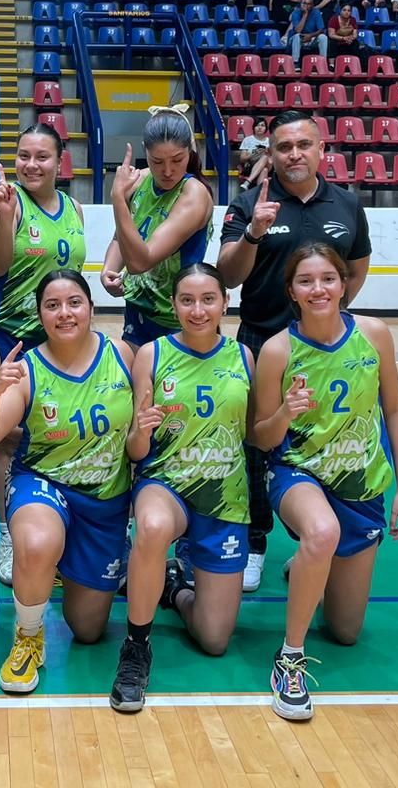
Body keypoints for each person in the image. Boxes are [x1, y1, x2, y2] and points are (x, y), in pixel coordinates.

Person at [250, 243, 398, 721]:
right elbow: (261, 437)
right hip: (298, 473)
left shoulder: (375, 335)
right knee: (322, 533)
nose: (318, 289)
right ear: (292, 292)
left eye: (327, 279)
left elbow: (395, 409)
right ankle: (290, 660)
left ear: (344, 284)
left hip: (361, 482)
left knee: (345, 631)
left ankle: (310, 570)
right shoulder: (278, 350)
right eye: (306, 281)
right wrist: (285, 412)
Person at [216, 110, 372, 593]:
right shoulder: (248, 203)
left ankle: (314, 543)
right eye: (284, 147)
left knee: (319, 446)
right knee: (254, 448)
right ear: (271, 153)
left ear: (321, 149)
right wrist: (254, 233)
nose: (294, 154)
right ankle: (255, 545)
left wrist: (326, 322)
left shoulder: (347, 205)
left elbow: (355, 272)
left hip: (323, 352)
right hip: (262, 342)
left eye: (304, 144)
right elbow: (226, 274)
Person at [0, 270, 135, 695]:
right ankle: (28, 635)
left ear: (92, 307)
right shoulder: (25, 370)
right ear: (40, 315)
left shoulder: (123, 355)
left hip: (105, 502)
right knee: (39, 543)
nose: (65, 313)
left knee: (88, 629)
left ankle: (74, 560)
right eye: (52, 305)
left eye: (74, 302)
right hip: (45, 487)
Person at [110, 264, 253, 713]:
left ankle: (173, 590)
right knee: (151, 527)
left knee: (214, 640)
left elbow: (253, 435)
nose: (197, 310)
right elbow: (134, 451)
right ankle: (136, 646)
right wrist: (142, 430)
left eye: (208, 299)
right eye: (187, 300)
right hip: (166, 483)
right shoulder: (151, 355)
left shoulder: (246, 357)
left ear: (225, 304)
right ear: (173, 305)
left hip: (224, 495)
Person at [0, 123, 85, 587]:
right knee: (8, 438)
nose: (31, 165)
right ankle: (6, 533)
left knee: (54, 429)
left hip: (56, 338)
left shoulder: (76, 206)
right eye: (23, 156)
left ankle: (50, 527)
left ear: (60, 162)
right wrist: (3, 217)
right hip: (8, 334)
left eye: (42, 156)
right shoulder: (5, 201)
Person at [100, 105, 214, 348]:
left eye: (177, 160)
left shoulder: (194, 194)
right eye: (157, 161)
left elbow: (140, 262)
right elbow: (122, 238)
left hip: (181, 316)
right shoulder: (138, 180)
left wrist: (117, 198)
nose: (168, 170)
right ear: (145, 152)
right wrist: (108, 269)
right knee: (135, 383)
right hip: (138, 308)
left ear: (190, 152)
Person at [281, 0, 327, 67]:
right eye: (304, 3)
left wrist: (310, 36)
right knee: (297, 37)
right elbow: (298, 31)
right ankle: (295, 63)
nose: (305, 5)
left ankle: (323, 63)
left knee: (323, 37)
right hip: (297, 38)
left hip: (311, 37)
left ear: (312, 5)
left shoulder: (316, 12)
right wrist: (305, 15)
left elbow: (321, 30)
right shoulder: (296, 13)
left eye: (308, 4)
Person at [238, 118, 270, 191]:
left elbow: (273, 159)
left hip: (269, 164)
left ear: (266, 128)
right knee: (264, 170)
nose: (259, 127)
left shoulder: (269, 141)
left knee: (265, 157)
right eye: (257, 125)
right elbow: (242, 159)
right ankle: (260, 197)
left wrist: (266, 151)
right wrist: (254, 153)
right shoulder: (247, 140)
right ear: (253, 128)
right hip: (252, 165)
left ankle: (248, 181)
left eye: (262, 125)